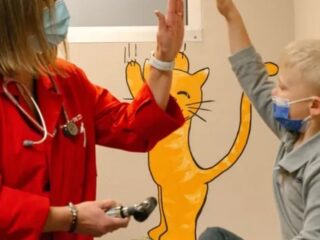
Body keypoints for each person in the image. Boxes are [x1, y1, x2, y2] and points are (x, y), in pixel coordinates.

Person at [0, 0, 185, 239]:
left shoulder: (67, 80)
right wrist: (71, 218)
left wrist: (163, 59)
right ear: (13, 21)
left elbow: (133, 127)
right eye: (47, 8)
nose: (57, 14)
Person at [200, 0, 320, 239]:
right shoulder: (293, 134)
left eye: (283, 88)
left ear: (314, 105)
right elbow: (253, 77)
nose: (274, 93)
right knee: (215, 236)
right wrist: (229, 13)